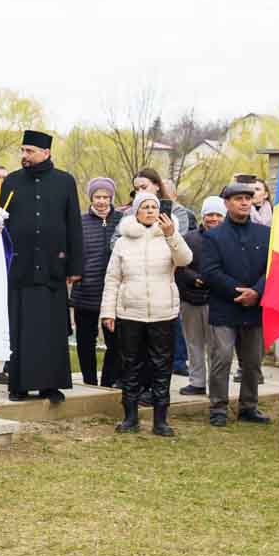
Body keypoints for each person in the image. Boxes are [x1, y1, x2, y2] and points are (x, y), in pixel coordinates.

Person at [0, 129, 82, 403]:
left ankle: (50, 385)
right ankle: (18, 385)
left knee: (51, 329)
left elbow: (73, 226)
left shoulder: (64, 182)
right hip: (19, 268)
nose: (24, 156)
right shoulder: (10, 182)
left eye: (29, 151)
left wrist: (74, 266)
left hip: (52, 268)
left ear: (46, 153)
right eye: (22, 151)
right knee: (19, 327)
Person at [100, 190, 192, 435]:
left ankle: (161, 420)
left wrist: (172, 235)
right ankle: (130, 417)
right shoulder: (122, 241)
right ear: (136, 211)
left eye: (154, 206)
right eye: (145, 207)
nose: (150, 211)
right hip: (130, 313)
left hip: (163, 313)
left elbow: (184, 260)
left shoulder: (169, 236)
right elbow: (112, 279)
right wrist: (108, 312)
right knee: (130, 365)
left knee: (162, 366)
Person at [199, 181, 273, 427]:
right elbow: (210, 271)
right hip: (225, 307)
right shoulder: (213, 236)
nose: (244, 202)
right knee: (221, 358)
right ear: (227, 203)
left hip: (254, 308)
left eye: (247, 198)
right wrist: (237, 291)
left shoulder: (265, 234)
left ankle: (249, 406)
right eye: (238, 198)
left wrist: (257, 292)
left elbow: (272, 269)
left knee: (252, 362)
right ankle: (218, 407)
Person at [69, 176, 120, 388]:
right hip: (85, 290)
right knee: (85, 342)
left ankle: (107, 382)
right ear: (91, 197)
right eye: (97, 197)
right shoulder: (79, 222)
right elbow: (71, 251)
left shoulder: (123, 220)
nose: (101, 201)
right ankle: (89, 381)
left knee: (115, 343)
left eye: (106, 197)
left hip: (114, 292)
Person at [175, 196, 224, 397]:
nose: (213, 219)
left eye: (217, 215)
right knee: (194, 342)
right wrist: (195, 279)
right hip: (191, 299)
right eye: (209, 215)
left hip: (217, 300)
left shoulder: (229, 239)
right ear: (203, 217)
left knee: (217, 346)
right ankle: (197, 381)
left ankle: (216, 384)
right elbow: (179, 266)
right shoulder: (190, 239)